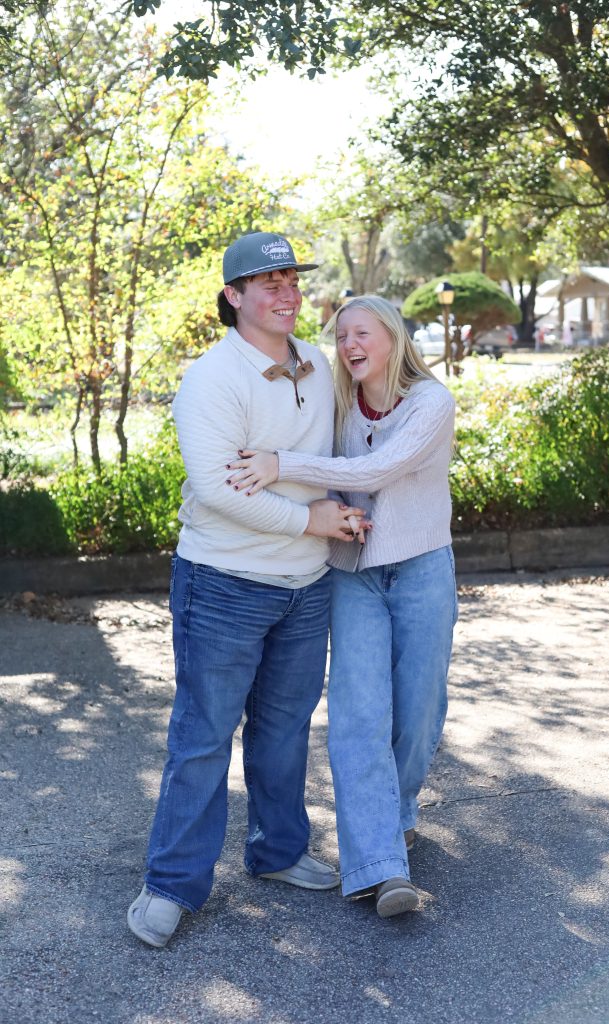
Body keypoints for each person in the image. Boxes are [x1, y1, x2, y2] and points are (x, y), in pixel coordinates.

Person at [127, 232, 368, 948]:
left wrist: (330, 516)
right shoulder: (211, 379)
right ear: (233, 297)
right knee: (201, 738)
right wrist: (312, 519)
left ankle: (277, 853)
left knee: (284, 733)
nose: (286, 293)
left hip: (305, 585)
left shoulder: (317, 365)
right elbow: (218, 490)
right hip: (224, 584)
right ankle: (171, 886)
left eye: (292, 279)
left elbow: (329, 454)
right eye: (268, 283)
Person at [226, 295, 457, 918]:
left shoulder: (431, 402)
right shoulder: (336, 401)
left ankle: (398, 809)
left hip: (421, 572)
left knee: (419, 708)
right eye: (341, 335)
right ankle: (381, 867)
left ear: (393, 337)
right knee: (358, 714)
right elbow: (333, 476)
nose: (349, 343)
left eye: (362, 332)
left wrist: (280, 465)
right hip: (353, 573)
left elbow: (381, 467)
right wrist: (330, 513)